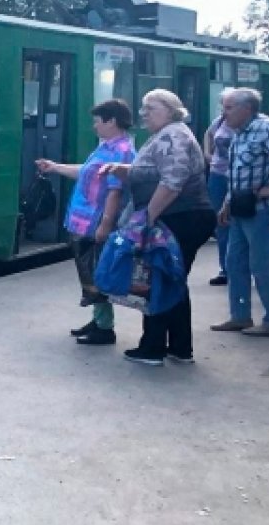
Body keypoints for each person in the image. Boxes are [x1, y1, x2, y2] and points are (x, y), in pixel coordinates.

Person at [101, 89, 215, 366]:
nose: (144, 113)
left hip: (177, 217)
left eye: (151, 108)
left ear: (170, 109)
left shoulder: (173, 135)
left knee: (157, 280)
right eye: (143, 108)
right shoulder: (170, 134)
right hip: (184, 216)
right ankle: (179, 347)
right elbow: (156, 171)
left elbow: (172, 181)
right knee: (173, 280)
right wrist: (124, 169)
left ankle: (152, 349)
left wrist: (147, 218)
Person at [36, 99, 136, 345]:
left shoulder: (121, 150)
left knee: (96, 273)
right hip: (84, 221)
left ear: (111, 121)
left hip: (96, 222)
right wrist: (55, 167)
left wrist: (105, 224)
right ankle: (99, 320)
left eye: (97, 121)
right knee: (89, 273)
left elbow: (115, 191)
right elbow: (86, 171)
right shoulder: (106, 146)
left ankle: (105, 328)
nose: (94, 126)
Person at [208, 87, 269, 336]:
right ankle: (240, 316)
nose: (224, 113)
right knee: (234, 262)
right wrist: (227, 203)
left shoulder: (268, 129)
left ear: (247, 108)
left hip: (264, 210)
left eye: (229, 108)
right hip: (241, 208)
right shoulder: (238, 133)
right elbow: (236, 173)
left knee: (262, 264)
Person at [203, 91, 236, 285]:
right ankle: (225, 269)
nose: (225, 109)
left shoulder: (244, 125)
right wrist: (208, 154)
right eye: (223, 104)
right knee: (221, 221)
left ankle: (244, 268)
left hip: (238, 178)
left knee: (240, 223)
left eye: (229, 106)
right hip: (217, 177)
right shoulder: (219, 121)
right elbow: (208, 134)